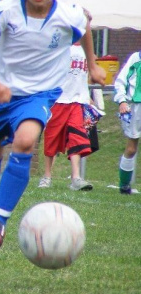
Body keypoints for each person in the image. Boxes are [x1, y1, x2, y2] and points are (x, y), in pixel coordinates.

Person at [0, 0, 106, 249]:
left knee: (26, 141)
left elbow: (84, 28)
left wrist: (93, 65)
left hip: (39, 93)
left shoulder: (68, 14)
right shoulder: (5, 11)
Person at [40, 42, 95, 191]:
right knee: (51, 138)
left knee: (76, 137)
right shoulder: (60, 45)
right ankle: (47, 176)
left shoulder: (86, 48)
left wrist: (87, 95)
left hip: (77, 101)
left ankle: (76, 178)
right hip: (59, 99)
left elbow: (85, 75)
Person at [113, 49, 141, 194]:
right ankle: (124, 186)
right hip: (136, 107)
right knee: (131, 148)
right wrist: (122, 101)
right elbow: (120, 82)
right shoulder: (135, 59)